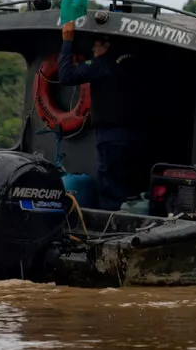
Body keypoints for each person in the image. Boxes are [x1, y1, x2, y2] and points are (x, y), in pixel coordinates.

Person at [57, 21, 142, 210]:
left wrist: (67, 43)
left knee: (109, 185)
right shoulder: (131, 64)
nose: (94, 46)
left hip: (111, 135)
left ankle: (110, 227)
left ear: (107, 45)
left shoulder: (102, 65)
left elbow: (66, 76)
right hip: (135, 134)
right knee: (129, 183)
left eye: (98, 42)